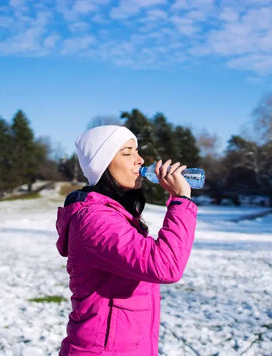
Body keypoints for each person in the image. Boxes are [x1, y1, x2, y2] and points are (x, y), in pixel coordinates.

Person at [56, 125, 197, 355]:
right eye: (127, 152)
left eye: (137, 151)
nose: (140, 160)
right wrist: (181, 200)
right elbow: (165, 266)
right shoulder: (94, 220)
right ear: (103, 164)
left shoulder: (118, 216)